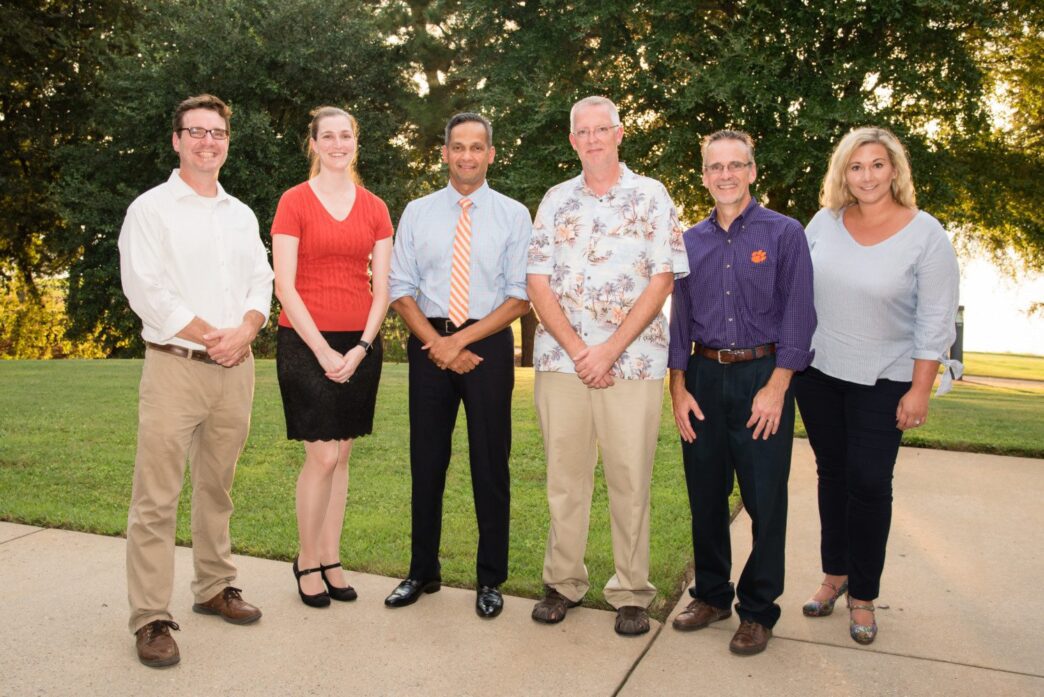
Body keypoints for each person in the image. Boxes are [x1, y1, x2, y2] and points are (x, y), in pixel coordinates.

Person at [119, 94, 273, 667]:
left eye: (218, 132)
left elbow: (262, 279)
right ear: (177, 140)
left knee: (217, 489)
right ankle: (150, 618)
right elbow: (148, 290)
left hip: (236, 371)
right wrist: (217, 335)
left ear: (226, 141)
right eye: (197, 132)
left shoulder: (240, 213)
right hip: (176, 367)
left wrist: (249, 327)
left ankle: (214, 587)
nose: (209, 141)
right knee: (156, 498)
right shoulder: (151, 210)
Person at [527, 95, 689, 636]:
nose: (593, 138)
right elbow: (537, 282)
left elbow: (663, 278)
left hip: (634, 362)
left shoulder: (652, 196)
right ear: (572, 140)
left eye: (603, 129)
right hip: (561, 360)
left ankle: (631, 592)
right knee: (564, 479)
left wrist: (609, 349)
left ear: (620, 134)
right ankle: (563, 583)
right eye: (583, 131)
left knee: (629, 478)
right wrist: (579, 350)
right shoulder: (555, 200)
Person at [794, 126, 960, 645]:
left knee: (868, 483)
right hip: (819, 374)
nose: (866, 175)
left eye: (877, 165)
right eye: (856, 166)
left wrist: (920, 389)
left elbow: (936, 320)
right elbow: (793, 288)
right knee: (832, 475)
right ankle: (835, 574)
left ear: (895, 171)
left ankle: (863, 594)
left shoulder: (925, 233)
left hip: (885, 378)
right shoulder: (822, 223)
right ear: (843, 173)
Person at [667, 129, 816, 655]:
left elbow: (800, 318)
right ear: (704, 175)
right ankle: (710, 595)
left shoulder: (784, 234)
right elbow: (679, 322)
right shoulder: (688, 242)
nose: (725, 174)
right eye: (715, 166)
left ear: (752, 171)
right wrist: (678, 389)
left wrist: (778, 387)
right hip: (703, 378)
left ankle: (758, 610)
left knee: (765, 501)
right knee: (705, 497)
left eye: (736, 165)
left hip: (763, 379)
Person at [385, 112, 530, 619]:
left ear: (492, 154)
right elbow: (399, 290)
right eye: (458, 146)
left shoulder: (513, 214)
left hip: (486, 345)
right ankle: (421, 570)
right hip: (428, 345)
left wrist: (461, 341)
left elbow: (519, 297)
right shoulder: (418, 212)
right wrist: (439, 344)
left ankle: (490, 579)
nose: (467, 155)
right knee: (427, 462)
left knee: (491, 464)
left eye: (477, 147)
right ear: (444, 152)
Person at [271, 106, 393, 607]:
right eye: (329, 136)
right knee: (321, 453)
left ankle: (330, 556)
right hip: (305, 341)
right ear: (314, 144)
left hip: (360, 343)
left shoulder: (376, 207)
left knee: (342, 454)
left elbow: (382, 288)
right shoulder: (293, 202)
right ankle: (305, 558)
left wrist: (361, 347)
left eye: (347, 135)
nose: (338, 143)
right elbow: (284, 284)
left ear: (354, 142)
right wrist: (322, 349)